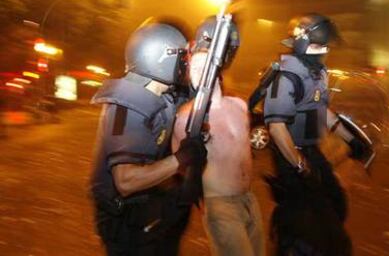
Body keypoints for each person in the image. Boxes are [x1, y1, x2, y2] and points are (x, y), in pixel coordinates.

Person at [90, 22, 207, 256]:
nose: (186, 63)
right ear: (161, 58)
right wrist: (180, 159)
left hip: (147, 209)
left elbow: (198, 96)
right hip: (124, 222)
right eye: (183, 58)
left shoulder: (161, 95)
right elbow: (126, 182)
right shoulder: (126, 107)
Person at [263, 13, 368, 256]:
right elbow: (277, 129)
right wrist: (300, 166)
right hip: (291, 158)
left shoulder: (317, 73)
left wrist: (352, 140)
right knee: (306, 228)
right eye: (319, 46)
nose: (324, 52)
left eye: (326, 47)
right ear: (301, 43)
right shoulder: (284, 78)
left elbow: (324, 113)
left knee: (336, 203)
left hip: (312, 152)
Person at [172, 18, 266, 256]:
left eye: (205, 65)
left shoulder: (239, 106)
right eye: (193, 65)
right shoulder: (186, 118)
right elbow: (177, 168)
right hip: (219, 205)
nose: (198, 71)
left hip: (249, 199)